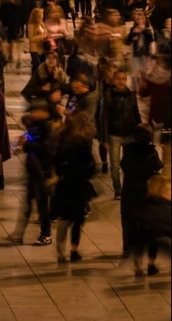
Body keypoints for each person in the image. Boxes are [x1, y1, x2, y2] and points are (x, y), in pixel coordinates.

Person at [12, 99, 58, 247]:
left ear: (44, 113)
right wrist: (26, 143)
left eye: (36, 112)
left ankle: (46, 234)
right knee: (27, 205)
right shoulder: (34, 125)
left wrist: (28, 143)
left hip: (43, 171)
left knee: (42, 206)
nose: (32, 114)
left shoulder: (48, 129)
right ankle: (19, 234)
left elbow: (47, 149)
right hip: (33, 170)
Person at [52, 113, 97, 263]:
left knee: (63, 219)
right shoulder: (81, 142)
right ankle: (74, 250)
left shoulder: (61, 139)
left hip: (64, 185)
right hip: (78, 185)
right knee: (77, 220)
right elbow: (90, 164)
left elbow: (56, 160)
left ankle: (60, 251)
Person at [119, 123, 162, 269]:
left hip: (130, 190)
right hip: (146, 191)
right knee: (147, 223)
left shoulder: (129, 151)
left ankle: (127, 249)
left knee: (127, 220)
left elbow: (124, 166)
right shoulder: (152, 152)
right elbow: (157, 167)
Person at [100, 67, 141, 199]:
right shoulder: (108, 95)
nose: (121, 81)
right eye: (118, 79)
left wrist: (139, 132)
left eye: (124, 79)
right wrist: (104, 138)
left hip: (129, 133)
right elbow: (104, 117)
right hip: (114, 134)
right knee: (115, 164)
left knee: (130, 163)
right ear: (113, 80)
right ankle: (118, 189)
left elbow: (136, 113)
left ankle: (129, 187)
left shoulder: (131, 94)